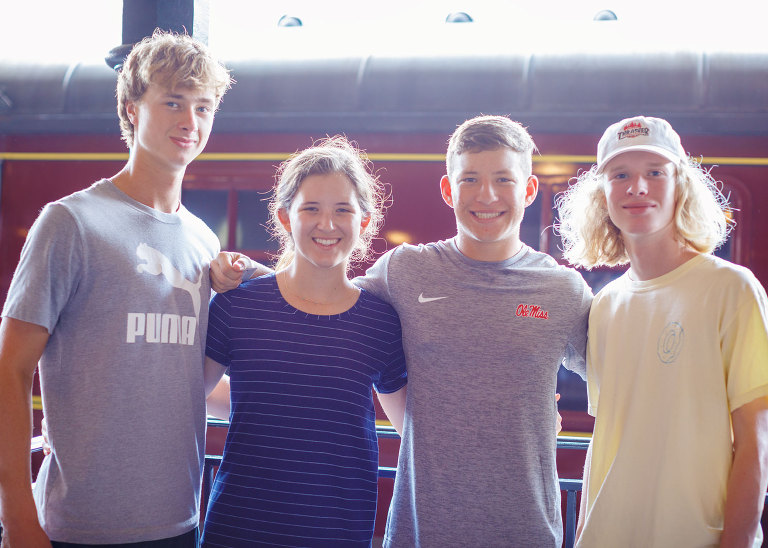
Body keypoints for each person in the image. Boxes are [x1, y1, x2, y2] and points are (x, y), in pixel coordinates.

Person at [212, 115, 592, 547]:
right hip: (419, 533)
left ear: (529, 189)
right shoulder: (405, 271)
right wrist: (245, 273)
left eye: (503, 179)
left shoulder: (563, 290)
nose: (487, 195)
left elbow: (621, 385)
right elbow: (325, 296)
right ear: (448, 190)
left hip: (526, 532)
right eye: (470, 179)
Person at [0, 31, 232, 547]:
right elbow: (9, 369)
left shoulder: (203, 241)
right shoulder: (70, 222)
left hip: (179, 521)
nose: (190, 121)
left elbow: (180, 377)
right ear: (131, 108)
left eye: (203, 107)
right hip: (77, 527)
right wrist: (17, 519)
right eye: (173, 102)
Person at [556, 115, 768, 547]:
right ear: (603, 195)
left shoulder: (731, 288)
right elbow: (608, 437)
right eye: (620, 175)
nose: (637, 187)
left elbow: (756, 438)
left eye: (655, 172)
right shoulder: (606, 305)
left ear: (680, 187)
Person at [199, 136, 407, 547]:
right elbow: (189, 393)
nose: (327, 224)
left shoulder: (380, 323)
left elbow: (413, 429)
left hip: (338, 534)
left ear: (365, 221)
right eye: (311, 208)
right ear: (284, 217)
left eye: (343, 210)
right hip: (238, 530)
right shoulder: (237, 305)